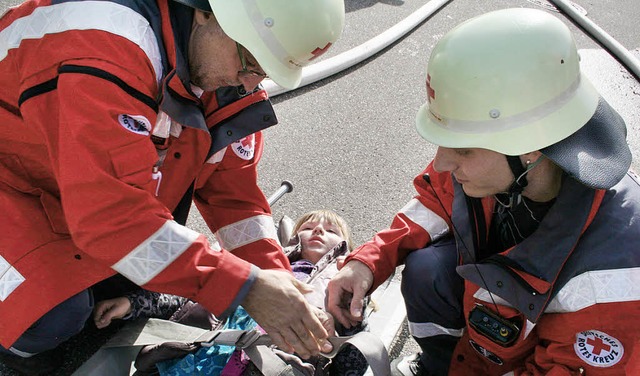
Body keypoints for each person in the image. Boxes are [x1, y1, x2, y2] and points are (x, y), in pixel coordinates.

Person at [0, 0, 345, 374]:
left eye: (264, 73)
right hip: (13, 188)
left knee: (135, 277)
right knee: (48, 314)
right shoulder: (104, 51)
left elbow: (235, 199)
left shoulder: (215, 73)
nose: (250, 84)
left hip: (64, 190)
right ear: (206, 12)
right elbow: (111, 219)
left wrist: (280, 281)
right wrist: (247, 287)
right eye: (251, 62)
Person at [327, 8, 640, 376]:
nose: (440, 163)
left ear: (531, 148)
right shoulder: (499, 168)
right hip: (485, 344)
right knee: (425, 270)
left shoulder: (614, 277)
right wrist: (367, 262)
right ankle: (438, 365)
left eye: (461, 148)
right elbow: (432, 201)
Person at [93, 209, 369, 375]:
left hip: (272, 365)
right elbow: (191, 291)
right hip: (202, 353)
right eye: (308, 227)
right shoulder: (253, 261)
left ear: (345, 246)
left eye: (331, 230)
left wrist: (339, 333)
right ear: (294, 238)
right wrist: (133, 304)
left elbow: (353, 356)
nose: (318, 229)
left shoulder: (342, 289)